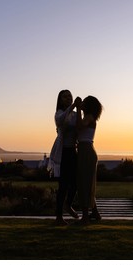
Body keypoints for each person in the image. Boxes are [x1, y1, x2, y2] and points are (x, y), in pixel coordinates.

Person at [48, 89, 81, 225]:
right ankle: (59, 217)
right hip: (62, 153)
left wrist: (79, 109)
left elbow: (79, 127)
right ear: (60, 100)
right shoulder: (59, 113)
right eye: (65, 96)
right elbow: (61, 121)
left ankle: (68, 204)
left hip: (73, 151)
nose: (68, 98)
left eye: (70, 96)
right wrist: (73, 106)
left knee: (75, 183)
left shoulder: (73, 114)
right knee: (63, 185)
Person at [75, 95, 103, 224]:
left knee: (84, 183)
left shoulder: (89, 117)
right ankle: (95, 213)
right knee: (88, 183)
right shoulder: (89, 118)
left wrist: (78, 109)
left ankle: (85, 217)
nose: (83, 103)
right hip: (86, 150)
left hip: (85, 151)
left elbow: (79, 127)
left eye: (85, 102)